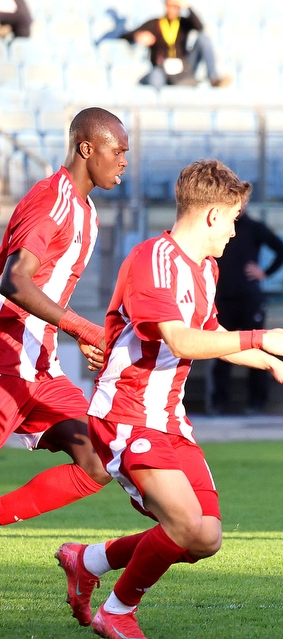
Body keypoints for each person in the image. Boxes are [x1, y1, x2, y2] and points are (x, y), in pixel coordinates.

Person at [53, 160, 283, 639]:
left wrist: (269, 361)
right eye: (234, 219)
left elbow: (209, 332)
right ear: (213, 215)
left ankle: (86, 559)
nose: (236, 233)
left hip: (170, 420)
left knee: (204, 538)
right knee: (182, 522)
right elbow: (182, 341)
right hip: (125, 415)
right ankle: (117, 611)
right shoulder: (154, 259)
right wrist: (264, 336)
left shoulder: (205, 268)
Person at [0, 107, 128, 526]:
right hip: (5, 363)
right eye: (118, 150)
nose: (124, 160)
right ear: (86, 148)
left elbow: (47, 291)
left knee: (97, 460)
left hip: (41, 370)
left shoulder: (86, 213)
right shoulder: (51, 200)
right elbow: (14, 281)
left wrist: (77, 335)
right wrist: (83, 327)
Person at [211, 211, 283, 414]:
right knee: (220, 351)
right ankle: (219, 403)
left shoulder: (253, 226)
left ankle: (256, 402)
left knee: (256, 347)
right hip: (223, 298)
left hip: (249, 299)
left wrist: (265, 272)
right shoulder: (219, 225)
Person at [121, 0, 230, 90]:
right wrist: (138, 35)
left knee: (203, 39)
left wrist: (187, 7)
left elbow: (199, 27)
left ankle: (213, 79)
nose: (172, 9)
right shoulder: (155, 24)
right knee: (155, 79)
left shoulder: (183, 23)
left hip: (183, 66)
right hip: (162, 67)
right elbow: (126, 35)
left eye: (175, 6)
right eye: (169, 6)